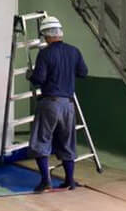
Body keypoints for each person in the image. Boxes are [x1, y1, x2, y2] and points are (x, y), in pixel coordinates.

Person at [27, 16, 88, 192]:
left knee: (41, 141)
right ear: (60, 32)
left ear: (46, 35)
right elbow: (83, 72)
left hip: (50, 102)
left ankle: (45, 181)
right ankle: (69, 181)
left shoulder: (45, 53)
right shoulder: (74, 51)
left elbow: (39, 79)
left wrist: (30, 75)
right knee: (67, 142)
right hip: (68, 104)